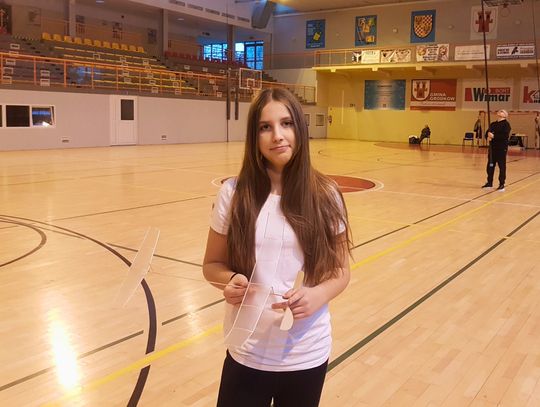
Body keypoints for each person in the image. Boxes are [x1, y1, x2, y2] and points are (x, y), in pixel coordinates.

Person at [203, 87, 352, 407]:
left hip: (306, 355)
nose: (277, 136)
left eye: (286, 123)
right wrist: (229, 280)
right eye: (265, 127)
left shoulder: (327, 194)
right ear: (254, 136)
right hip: (246, 352)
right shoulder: (234, 193)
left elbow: (341, 270)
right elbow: (211, 265)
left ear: (299, 128)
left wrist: (317, 295)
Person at [482, 109, 511, 192]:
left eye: (502, 111)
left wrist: (494, 136)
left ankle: (501, 184)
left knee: (501, 166)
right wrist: (487, 136)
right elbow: (487, 133)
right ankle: (489, 182)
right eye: (499, 111)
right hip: (492, 148)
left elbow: (505, 136)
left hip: (501, 149)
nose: (500, 112)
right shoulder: (493, 124)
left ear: (505, 115)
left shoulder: (506, 125)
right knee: (490, 166)